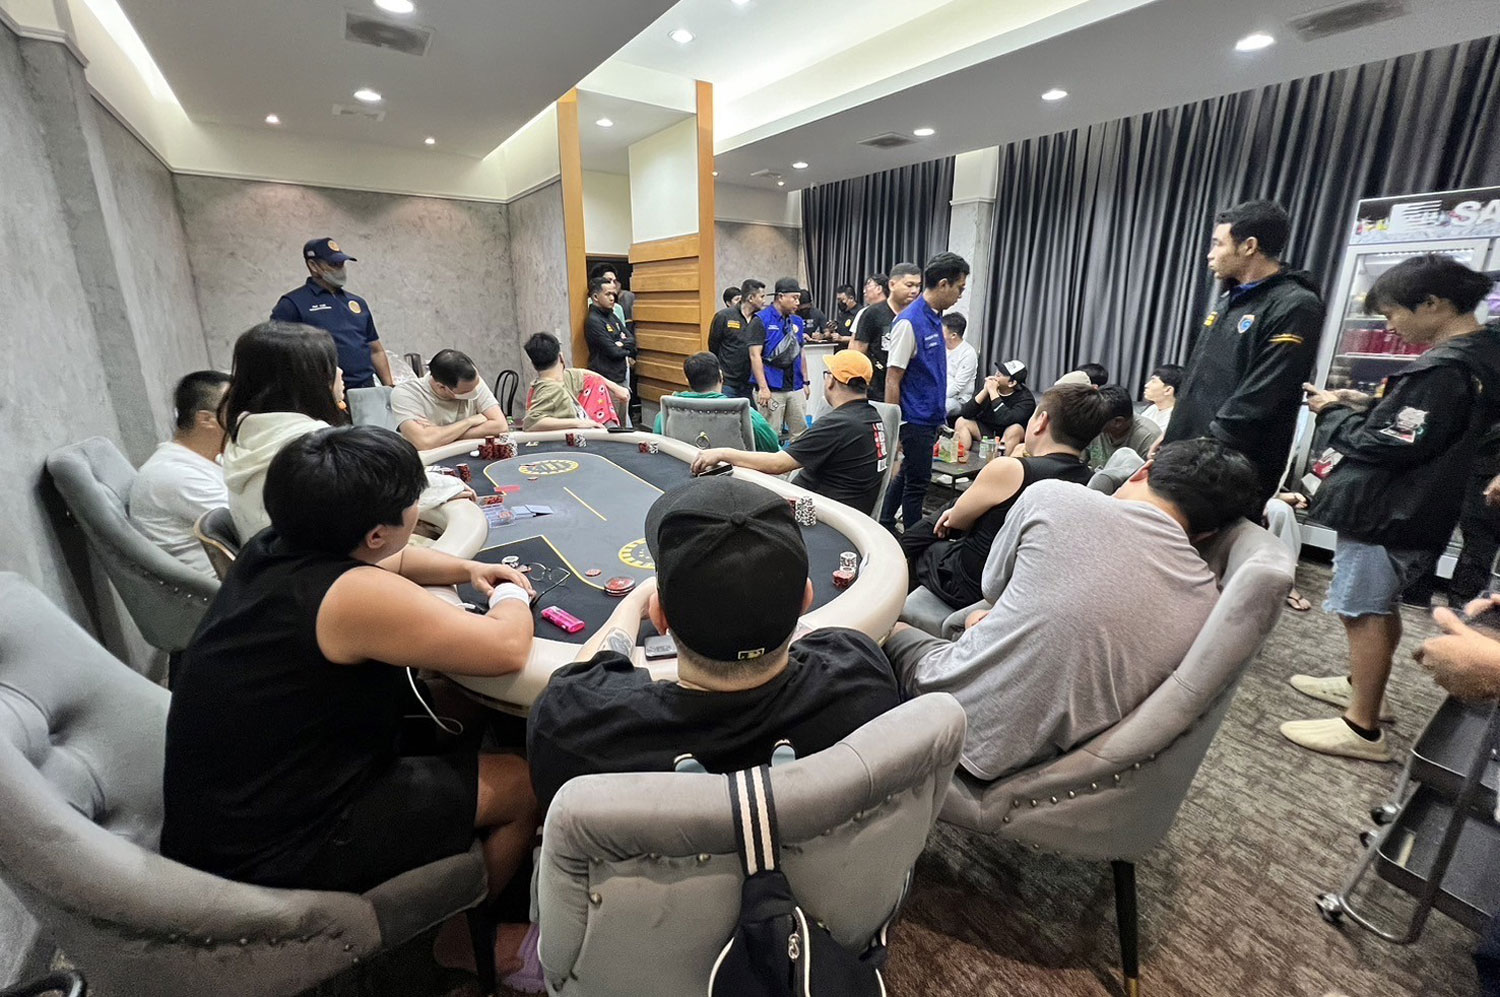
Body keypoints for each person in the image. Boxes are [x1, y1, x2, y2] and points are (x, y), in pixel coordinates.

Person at [162, 426, 542, 987]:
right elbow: (506, 647)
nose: (418, 505)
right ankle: (459, 937)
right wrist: (511, 593)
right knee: (524, 783)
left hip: (233, 801)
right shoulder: (348, 597)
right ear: (373, 532)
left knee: (460, 703)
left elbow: (398, 562)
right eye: (412, 500)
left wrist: (466, 571)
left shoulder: (277, 547)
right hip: (281, 837)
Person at [882, 439, 1259, 781]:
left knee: (889, 629)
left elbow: (992, 588)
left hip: (954, 716)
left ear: (1143, 471)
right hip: (1051, 766)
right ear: (1208, 535)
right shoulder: (1208, 602)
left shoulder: (1051, 497)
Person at [526, 475, 901, 813]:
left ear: (660, 618)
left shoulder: (572, 728)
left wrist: (629, 606)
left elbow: (582, 676)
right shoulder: (861, 670)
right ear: (806, 599)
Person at [1282, 254, 1500, 762]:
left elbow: (1389, 443)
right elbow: (1423, 426)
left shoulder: (1447, 367)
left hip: (1390, 509)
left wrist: (1335, 412)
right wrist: (1363, 403)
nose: (1390, 327)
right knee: (1376, 605)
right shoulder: (1481, 355)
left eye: (1392, 314)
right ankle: (1363, 687)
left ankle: (1361, 726)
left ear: (1433, 303)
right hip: (1420, 507)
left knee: (1363, 610)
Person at [1161, 200, 1325, 506]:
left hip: (1226, 468)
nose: (1210, 254)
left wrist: (1195, 452)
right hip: (1192, 454)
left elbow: (1260, 397)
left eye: (1218, 244)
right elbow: (1201, 381)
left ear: (1249, 246)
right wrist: (1175, 433)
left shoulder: (1295, 304)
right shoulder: (1230, 300)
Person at [902, 382, 1111, 610]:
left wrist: (956, 515)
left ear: (1041, 421)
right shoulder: (1090, 481)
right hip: (1028, 583)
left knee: (926, 541)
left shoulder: (1011, 469)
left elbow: (956, 521)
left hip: (974, 584)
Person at [692, 350, 887, 513]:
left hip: (822, 516)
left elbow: (777, 464)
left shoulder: (839, 424)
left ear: (831, 381)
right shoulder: (871, 417)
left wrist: (721, 453)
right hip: (842, 509)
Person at [221, 321, 350, 541]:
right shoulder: (315, 443)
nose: (340, 372)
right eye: (330, 365)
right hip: (319, 566)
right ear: (309, 380)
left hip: (270, 561)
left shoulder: (245, 429)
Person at [880, 253, 971, 532]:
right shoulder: (910, 321)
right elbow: (893, 378)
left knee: (909, 474)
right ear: (944, 284)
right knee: (918, 486)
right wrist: (894, 429)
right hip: (914, 419)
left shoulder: (935, 318)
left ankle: (883, 522)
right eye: (959, 288)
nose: (959, 295)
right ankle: (913, 544)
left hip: (931, 415)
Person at [128, 370, 232, 577]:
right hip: (230, 592)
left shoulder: (203, 460)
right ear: (207, 420)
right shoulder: (177, 475)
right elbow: (253, 529)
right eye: (236, 408)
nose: (245, 416)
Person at [270, 238, 393, 390]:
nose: (340, 269)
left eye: (341, 264)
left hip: (365, 389)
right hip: (322, 392)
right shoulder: (292, 304)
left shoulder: (357, 302)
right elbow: (277, 355)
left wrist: (389, 388)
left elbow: (375, 350)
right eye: (333, 264)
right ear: (313, 265)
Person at [654, 352, 780, 453]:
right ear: (721, 376)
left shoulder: (666, 414)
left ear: (687, 380)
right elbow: (772, 448)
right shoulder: (748, 416)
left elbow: (660, 450)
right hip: (736, 481)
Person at [390, 348, 509, 450]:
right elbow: (424, 442)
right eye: (466, 392)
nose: (475, 392)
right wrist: (470, 421)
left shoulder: (471, 381)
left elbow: (500, 426)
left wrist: (440, 433)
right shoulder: (406, 393)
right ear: (441, 387)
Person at [520, 332, 629, 432]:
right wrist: (579, 423)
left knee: (594, 382)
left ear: (534, 364)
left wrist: (615, 387)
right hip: (572, 442)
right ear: (561, 357)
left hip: (584, 433)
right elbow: (531, 423)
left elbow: (585, 374)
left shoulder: (563, 378)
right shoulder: (552, 390)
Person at [747, 277, 811, 440]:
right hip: (771, 388)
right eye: (794, 298)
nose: (798, 302)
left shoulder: (797, 321)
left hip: (795, 386)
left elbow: (801, 352)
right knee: (771, 434)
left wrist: (805, 382)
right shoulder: (761, 320)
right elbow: (755, 355)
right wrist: (763, 388)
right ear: (781, 297)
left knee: (801, 433)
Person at [853, 265, 920, 400]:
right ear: (892, 284)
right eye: (909, 285)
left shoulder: (917, 315)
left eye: (918, 286)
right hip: (877, 391)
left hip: (910, 391)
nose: (914, 291)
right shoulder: (872, 313)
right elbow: (858, 353)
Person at [954, 360, 1034, 454]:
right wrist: (984, 391)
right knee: (961, 421)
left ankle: (999, 465)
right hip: (987, 430)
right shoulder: (990, 387)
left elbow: (1005, 419)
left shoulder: (1026, 400)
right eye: (999, 370)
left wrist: (993, 392)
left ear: (1012, 383)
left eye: (1002, 373)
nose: (997, 373)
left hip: (1008, 434)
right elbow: (966, 413)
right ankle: (962, 458)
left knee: (1015, 429)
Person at [708, 278, 765, 399]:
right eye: (761, 297)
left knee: (750, 416)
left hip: (750, 383)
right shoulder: (724, 316)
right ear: (750, 298)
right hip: (728, 382)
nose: (764, 301)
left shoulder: (760, 319)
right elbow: (713, 346)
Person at [1084, 385, 1163, 470]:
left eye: (1096, 418)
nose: (1090, 421)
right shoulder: (1090, 425)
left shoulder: (1149, 437)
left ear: (1118, 422)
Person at [583, 275, 632, 388]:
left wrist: (621, 344)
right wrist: (624, 346)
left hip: (620, 375)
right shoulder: (593, 320)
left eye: (613, 294)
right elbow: (614, 351)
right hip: (605, 380)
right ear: (595, 297)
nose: (612, 298)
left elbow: (632, 341)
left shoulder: (612, 315)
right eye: (607, 294)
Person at [942, 313, 979, 420]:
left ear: (953, 335)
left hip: (958, 399)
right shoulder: (940, 347)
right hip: (937, 393)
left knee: (941, 407)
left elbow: (957, 386)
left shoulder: (968, 353)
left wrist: (937, 398)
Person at [1141, 363, 1183, 433]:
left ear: (1168, 390)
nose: (1146, 385)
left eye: (1153, 381)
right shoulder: (1152, 409)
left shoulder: (1175, 419)